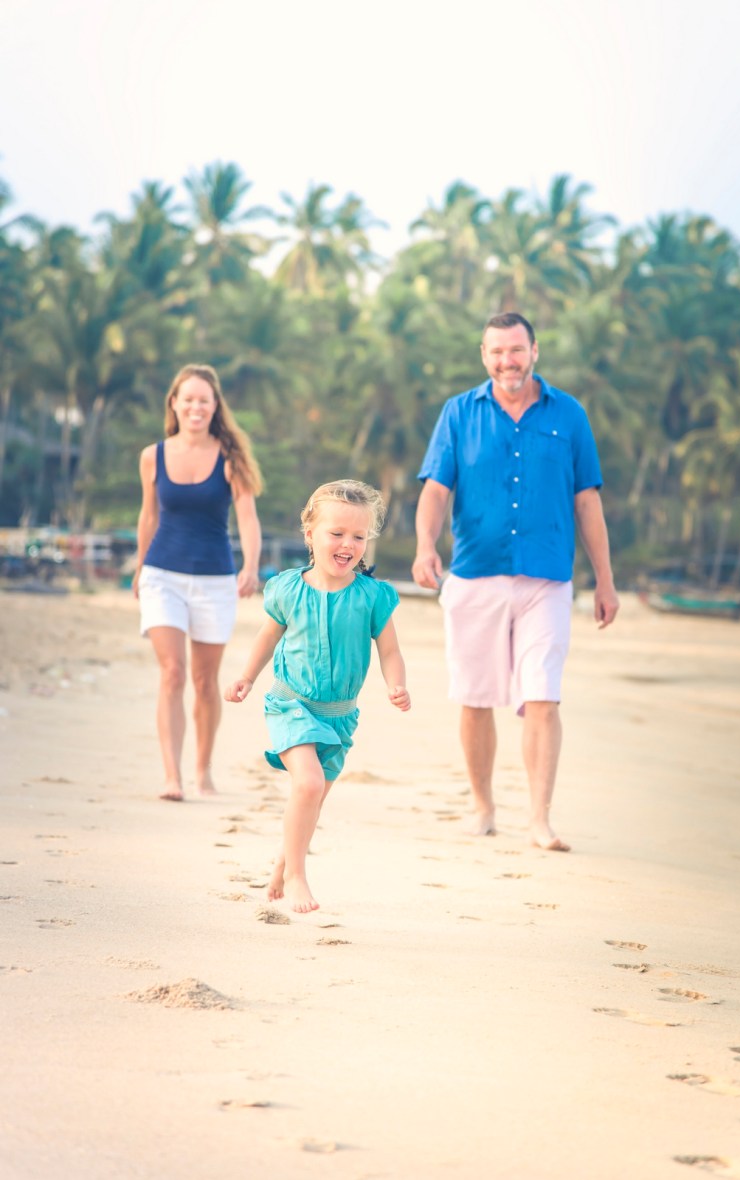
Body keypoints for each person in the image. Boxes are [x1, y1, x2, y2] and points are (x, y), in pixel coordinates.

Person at [412, 312, 619, 851]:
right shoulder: (458, 414)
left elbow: (587, 500)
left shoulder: (569, 415)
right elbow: (436, 490)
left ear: (534, 352)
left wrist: (605, 580)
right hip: (475, 574)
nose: (507, 361)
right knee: (477, 700)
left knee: (544, 696)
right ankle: (482, 807)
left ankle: (539, 818)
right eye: (497, 352)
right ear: (484, 355)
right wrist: (424, 545)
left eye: (516, 351)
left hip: (547, 579)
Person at [224, 479, 410, 912]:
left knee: (312, 799)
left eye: (359, 536)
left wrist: (395, 684)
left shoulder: (373, 597)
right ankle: (296, 875)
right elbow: (267, 638)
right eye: (337, 533)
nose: (348, 544)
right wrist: (247, 677)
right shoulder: (288, 589)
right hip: (291, 703)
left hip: (340, 716)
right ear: (310, 534)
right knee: (307, 784)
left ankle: (278, 869)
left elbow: (391, 651)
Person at [133, 363, 262, 802]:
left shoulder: (231, 459)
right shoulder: (153, 455)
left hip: (214, 579)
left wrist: (251, 565)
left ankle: (203, 771)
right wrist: (138, 566)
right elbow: (149, 515)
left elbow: (247, 517)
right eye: (187, 398)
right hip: (161, 574)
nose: (195, 406)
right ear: (174, 402)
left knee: (206, 682)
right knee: (172, 672)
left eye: (203, 400)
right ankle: (172, 777)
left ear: (214, 406)